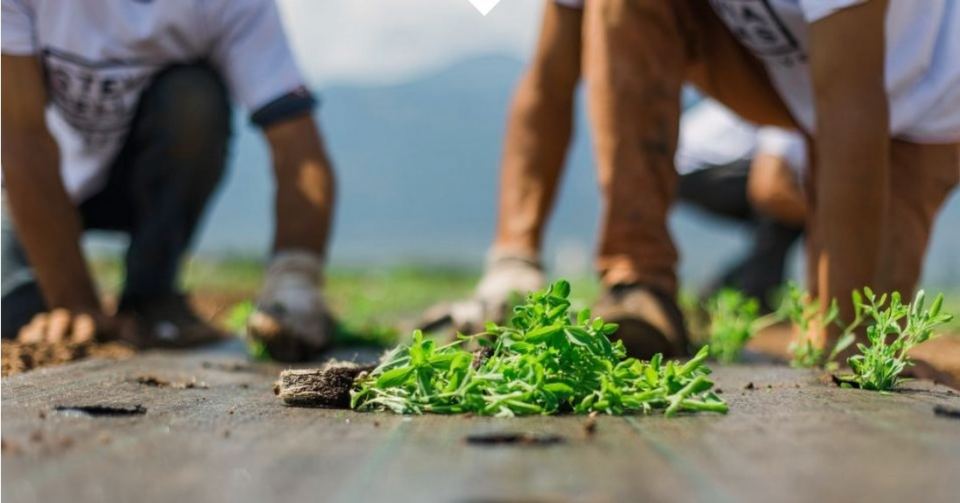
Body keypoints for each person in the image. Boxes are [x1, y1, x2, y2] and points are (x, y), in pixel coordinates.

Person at [422, 0, 808, 357]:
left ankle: (757, 300)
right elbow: (549, 81)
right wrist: (513, 258)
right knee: (786, 207)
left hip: (823, 93)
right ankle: (640, 281)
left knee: (802, 201)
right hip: (702, 159)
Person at [581, 0, 959, 350]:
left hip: (925, 104)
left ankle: (768, 298)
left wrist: (844, 330)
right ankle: (640, 281)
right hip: (790, 92)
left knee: (868, 340)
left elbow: (845, 113)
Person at [1, 0, 336, 361]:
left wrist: (296, 277)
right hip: (29, 189)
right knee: (20, 316)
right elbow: (21, 137)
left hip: (138, 179)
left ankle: (150, 297)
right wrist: (73, 301)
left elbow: (297, 147)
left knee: (194, 98)